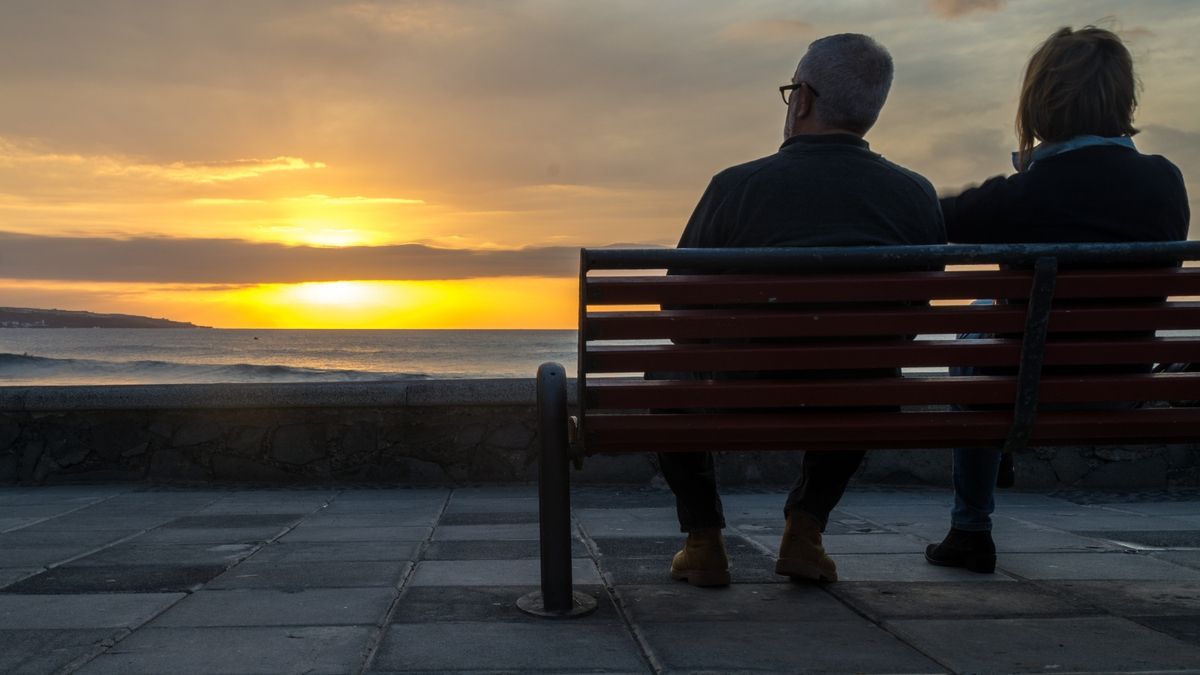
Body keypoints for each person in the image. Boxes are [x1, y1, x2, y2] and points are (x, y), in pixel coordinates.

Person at [662, 33, 946, 587]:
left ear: (803, 99)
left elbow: (677, 304)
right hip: (856, 396)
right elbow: (916, 315)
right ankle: (804, 532)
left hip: (737, 391)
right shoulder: (915, 194)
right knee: (870, 368)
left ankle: (703, 543)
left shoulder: (736, 187)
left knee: (667, 377)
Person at [926, 26, 1190, 574]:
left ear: (1039, 103)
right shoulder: (1165, 182)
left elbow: (924, 218)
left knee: (978, 318)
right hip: (1121, 388)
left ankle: (971, 526)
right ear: (1124, 99)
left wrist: (1027, 175)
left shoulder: (1022, 194)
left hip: (1024, 393)